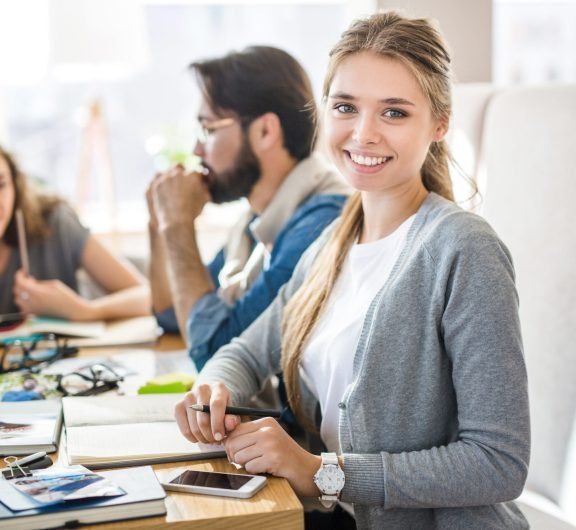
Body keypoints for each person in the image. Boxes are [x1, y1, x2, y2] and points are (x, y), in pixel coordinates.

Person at [174, 11, 530, 530]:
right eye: (346, 107)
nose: (363, 134)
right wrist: (212, 391)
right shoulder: (332, 243)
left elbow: (500, 462)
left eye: (394, 113)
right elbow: (246, 351)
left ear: (439, 123)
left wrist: (321, 472)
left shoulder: (464, 250)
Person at [147, 46, 349, 371]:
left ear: (265, 131)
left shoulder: (321, 222)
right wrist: (160, 225)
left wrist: (177, 226)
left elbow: (215, 355)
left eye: (208, 129)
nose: (196, 149)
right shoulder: (252, 222)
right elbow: (172, 313)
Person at [0, 145, 150, 320]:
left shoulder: (54, 223)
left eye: (1, 185)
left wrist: (84, 310)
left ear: (15, 189)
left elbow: (148, 297)